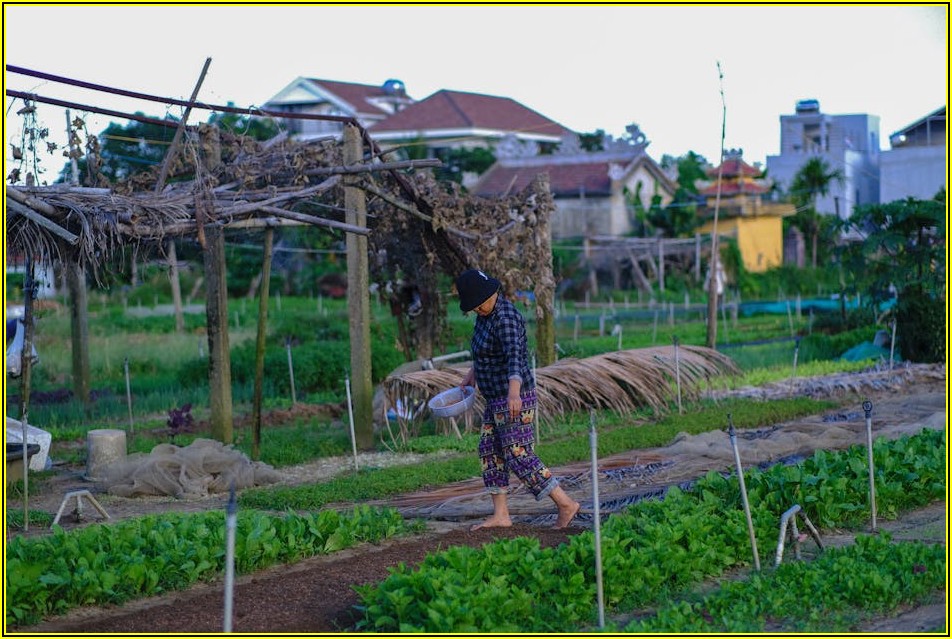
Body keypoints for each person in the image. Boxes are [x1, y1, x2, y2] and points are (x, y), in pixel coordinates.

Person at [455, 268, 580, 530]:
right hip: (494, 398)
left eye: (479, 304)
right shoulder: (485, 316)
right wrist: (472, 374)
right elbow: (486, 352)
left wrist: (514, 392)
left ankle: (565, 503)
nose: (477, 310)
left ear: (491, 293)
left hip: (513, 396)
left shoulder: (506, 317)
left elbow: (515, 356)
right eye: (474, 307)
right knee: (490, 452)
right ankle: (501, 515)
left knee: (517, 452)